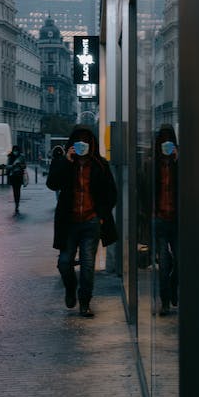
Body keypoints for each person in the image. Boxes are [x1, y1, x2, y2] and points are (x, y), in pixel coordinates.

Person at [47, 126, 118, 318]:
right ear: (72, 145)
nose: (82, 146)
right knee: (64, 263)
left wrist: (100, 216)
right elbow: (52, 184)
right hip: (68, 223)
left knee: (88, 265)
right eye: (78, 143)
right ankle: (71, 288)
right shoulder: (64, 162)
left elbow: (111, 194)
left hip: (90, 222)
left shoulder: (100, 165)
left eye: (85, 142)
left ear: (91, 144)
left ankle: (85, 302)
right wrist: (66, 162)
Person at [153, 124, 179, 316]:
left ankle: (172, 288)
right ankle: (165, 301)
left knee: (180, 263)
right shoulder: (153, 165)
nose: (166, 144)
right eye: (163, 141)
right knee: (163, 265)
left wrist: (179, 162)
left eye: (169, 141)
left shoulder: (180, 164)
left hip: (178, 221)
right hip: (161, 219)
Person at [7, 145, 27, 215]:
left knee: (18, 190)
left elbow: (25, 166)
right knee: (14, 190)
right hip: (13, 176)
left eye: (16, 150)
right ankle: (16, 203)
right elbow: (7, 166)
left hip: (19, 175)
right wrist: (12, 166)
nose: (15, 152)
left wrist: (20, 165)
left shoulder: (22, 157)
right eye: (14, 150)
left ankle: (17, 203)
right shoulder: (10, 157)